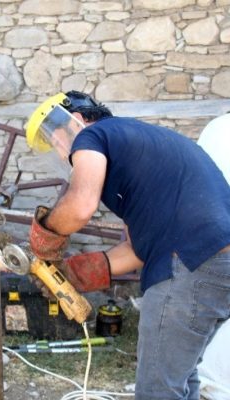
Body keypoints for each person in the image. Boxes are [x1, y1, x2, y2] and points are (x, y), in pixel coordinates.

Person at [25, 91, 230, 400]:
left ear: (77, 120)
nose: (59, 152)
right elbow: (135, 250)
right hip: (217, 265)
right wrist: (75, 273)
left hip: (188, 263)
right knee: (182, 378)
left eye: (56, 140)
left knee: (157, 392)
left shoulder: (94, 135)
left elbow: (80, 206)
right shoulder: (141, 145)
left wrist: (46, 236)